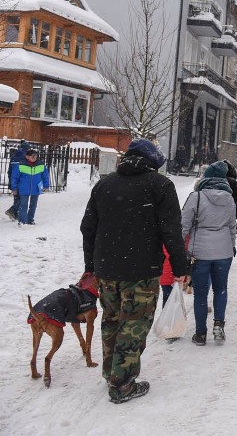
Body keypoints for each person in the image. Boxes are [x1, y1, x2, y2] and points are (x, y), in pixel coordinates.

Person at [80, 138, 188, 404]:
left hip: (107, 270)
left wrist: (91, 267)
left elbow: (88, 229)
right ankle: (123, 384)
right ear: (152, 162)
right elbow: (171, 231)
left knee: (112, 320)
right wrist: (181, 267)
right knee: (134, 324)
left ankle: (112, 372)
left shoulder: (104, 185)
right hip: (141, 270)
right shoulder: (160, 185)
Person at [182, 161, 236, 345]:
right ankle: (219, 325)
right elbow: (231, 227)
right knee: (221, 289)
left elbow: (183, 226)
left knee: (201, 293)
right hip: (223, 252)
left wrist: (181, 249)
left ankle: (200, 333)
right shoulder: (229, 199)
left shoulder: (196, 197)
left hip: (200, 253)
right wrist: (231, 246)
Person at [11, 148, 50, 226]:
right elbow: (14, 177)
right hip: (23, 188)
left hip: (36, 188)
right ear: (27, 156)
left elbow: (45, 176)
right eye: (32, 156)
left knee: (33, 205)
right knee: (23, 205)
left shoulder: (41, 165)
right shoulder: (20, 165)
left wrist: (46, 186)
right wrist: (14, 188)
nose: (34, 157)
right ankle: (22, 221)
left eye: (35, 155)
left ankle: (30, 220)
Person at [6, 139, 28, 220]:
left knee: (16, 197)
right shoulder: (25, 156)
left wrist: (10, 180)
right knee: (22, 198)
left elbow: (10, 170)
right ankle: (12, 211)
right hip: (21, 180)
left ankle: (15, 214)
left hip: (12, 179)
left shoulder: (14, 156)